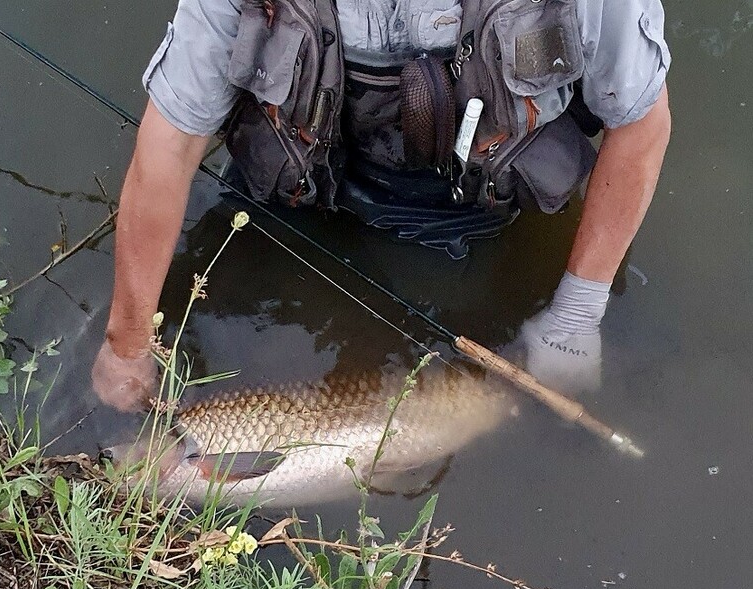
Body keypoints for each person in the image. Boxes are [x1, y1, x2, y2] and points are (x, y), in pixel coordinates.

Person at [92, 0, 671, 413]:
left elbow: (641, 125)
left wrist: (574, 319)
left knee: (452, 369)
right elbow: (171, 144)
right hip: (291, 189)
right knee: (216, 324)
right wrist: (127, 342)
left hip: (465, 219)